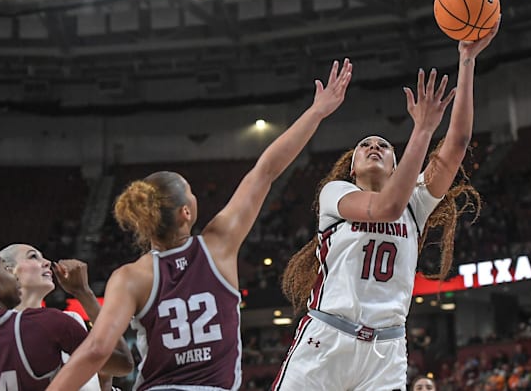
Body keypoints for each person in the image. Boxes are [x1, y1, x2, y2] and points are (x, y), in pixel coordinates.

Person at [46, 58, 353, 391]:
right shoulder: (218, 245)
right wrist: (316, 112)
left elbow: (96, 350)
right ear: (185, 213)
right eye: (190, 192)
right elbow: (265, 171)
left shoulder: (131, 277)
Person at [274, 21, 500, 391]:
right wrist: (422, 131)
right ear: (351, 167)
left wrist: (467, 60)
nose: (375, 147)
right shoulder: (335, 195)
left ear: (399, 166)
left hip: (385, 351)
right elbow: (386, 208)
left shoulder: (417, 200)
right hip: (326, 339)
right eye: (366, 145)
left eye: (384, 146)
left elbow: (457, 144)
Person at [0, 245, 134, 391]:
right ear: (0, 278)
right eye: (33, 256)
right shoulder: (48, 324)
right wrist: (83, 293)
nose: (47, 262)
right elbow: (122, 363)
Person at [0, 243, 124, 391]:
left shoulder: (69, 320)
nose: (47, 262)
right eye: (33, 256)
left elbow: (121, 364)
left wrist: (83, 292)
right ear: (9, 271)